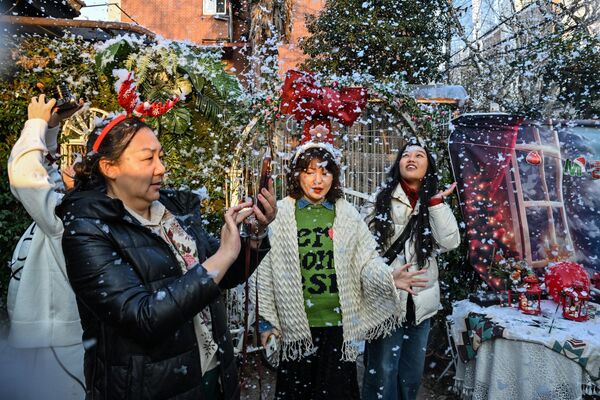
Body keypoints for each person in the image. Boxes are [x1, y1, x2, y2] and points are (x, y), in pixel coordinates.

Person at [56, 107, 277, 399]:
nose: (161, 168)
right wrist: (222, 255)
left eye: (160, 156)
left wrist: (253, 237)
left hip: (213, 373)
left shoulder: (174, 212)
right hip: (153, 387)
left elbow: (221, 277)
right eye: (148, 158)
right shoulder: (87, 229)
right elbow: (143, 318)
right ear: (110, 168)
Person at [255, 138, 428, 400]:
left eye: (325, 172)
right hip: (295, 328)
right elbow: (265, 271)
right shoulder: (280, 214)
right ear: (297, 175)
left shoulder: (345, 213)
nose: (317, 180)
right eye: (309, 172)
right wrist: (266, 322)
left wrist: (388, 277)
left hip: (337, 324)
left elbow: (366, 261)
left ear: (334, 177)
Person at [362, 138, 461, 400]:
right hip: (387, 300)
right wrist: (387, 277)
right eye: (406, 155)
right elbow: (363, 248)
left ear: (428, 166)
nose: (412, 159)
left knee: (411, 373)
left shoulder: (434, 201)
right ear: (399, 163)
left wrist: (436, 203)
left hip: (420, 304)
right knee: (382, 371)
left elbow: (450, 241)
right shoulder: (381, 199)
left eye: (419, 155)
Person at [5, 94, 85, 400]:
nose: (72, 164)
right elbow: (46, 176)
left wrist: (36, 123)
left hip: (56, 345)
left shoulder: (67, 219)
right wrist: (51, 130)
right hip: (50, 338)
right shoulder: (72, 209)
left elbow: (26, 177)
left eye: (80, 162)